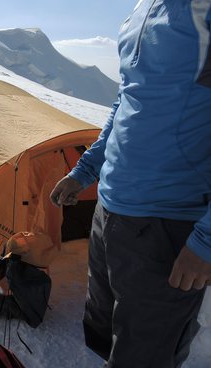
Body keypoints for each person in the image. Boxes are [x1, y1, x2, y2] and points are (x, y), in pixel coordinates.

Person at [49, 1, 211, 367]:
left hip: (169, 222)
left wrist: (206, 241)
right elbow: (127, 98)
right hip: (110, 210)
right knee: (105, 333)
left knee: (146, 354)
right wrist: (86, 170)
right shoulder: (144, 7)